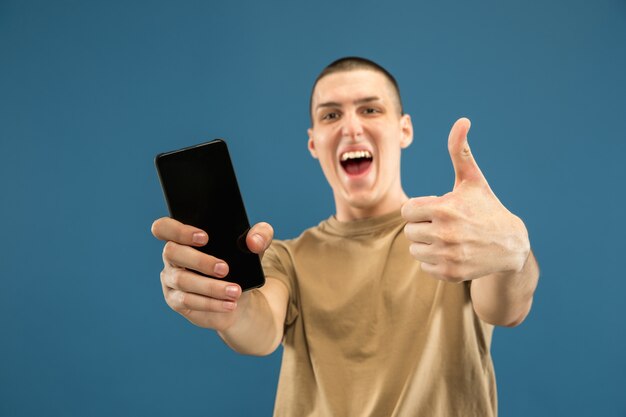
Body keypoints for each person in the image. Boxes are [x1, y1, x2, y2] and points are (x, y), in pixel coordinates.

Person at [151, 57, 539, 416]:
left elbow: (507, 309)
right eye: (331, 115)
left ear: (404, 129)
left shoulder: (455, 237)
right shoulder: (287, 259)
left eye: (370, 109)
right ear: (313, 142)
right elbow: (259, 329)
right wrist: (226, 303)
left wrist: (514, 250)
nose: (351, 127)